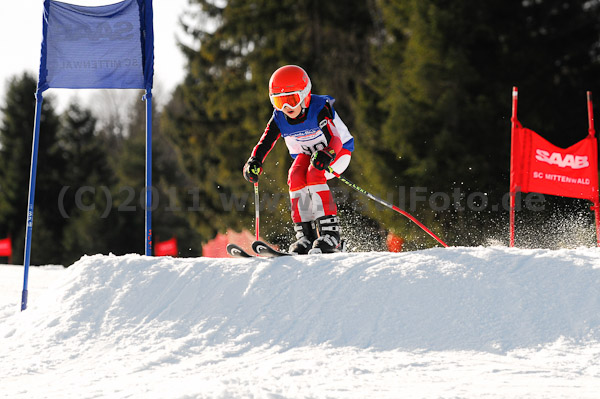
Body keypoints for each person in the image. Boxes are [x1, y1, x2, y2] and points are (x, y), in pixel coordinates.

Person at [243, 65, 354, 254]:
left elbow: (334, 138)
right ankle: (306, 237)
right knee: (295, 175)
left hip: (338, 152)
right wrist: (254, 161)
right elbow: (265, 142)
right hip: (308, 155)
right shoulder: (279, 117)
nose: (287, 108)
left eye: (292, 100)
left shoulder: (319, 108)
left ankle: (331, 235)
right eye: (280, 102)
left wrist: (328, 153)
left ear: (305, 95)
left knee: (313, 173)